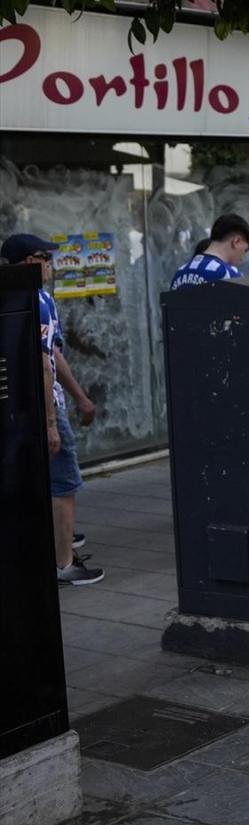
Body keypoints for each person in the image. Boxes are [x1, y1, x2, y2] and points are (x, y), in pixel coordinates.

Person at [3, 234, 104, 586]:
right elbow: (43, 364)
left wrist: (81, 397)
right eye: (46, 258)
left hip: (21, 406)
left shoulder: (23, 298)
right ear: (31, 262)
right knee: (63, 482)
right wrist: (50, 422)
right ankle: (64, 564)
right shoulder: (36, 300)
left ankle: (53, 545)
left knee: (37, 481)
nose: (51, 265)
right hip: (43, 406)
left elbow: (53, 353)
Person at [171, 214, 249, 290]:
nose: (243, 257)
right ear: (236, 241)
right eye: (245, 250)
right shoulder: (228, 274)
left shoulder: (180, 272)